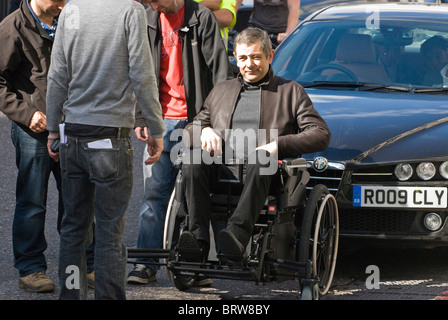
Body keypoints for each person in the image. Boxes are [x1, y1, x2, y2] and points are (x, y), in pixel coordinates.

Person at [178, 27, 330, 262]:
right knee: (192, 160)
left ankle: (237, 236)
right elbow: (191, 128)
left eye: (256, 57)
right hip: (221, 172)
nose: (249, 64)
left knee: (262, 158)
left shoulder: (290, 91)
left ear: (269, 57)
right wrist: (203, 130)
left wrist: (276, 145)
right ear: (236, 60)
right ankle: (197, 240)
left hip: (267, 176)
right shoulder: (221, 90)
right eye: (243, 58)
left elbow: (320, 134)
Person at [46, 0, 165, 300]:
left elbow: (57, 74)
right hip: (110, 138)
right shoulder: (129, 10)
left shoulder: (71, 10)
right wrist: (156, 127)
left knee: (73, 227)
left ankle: (71, 295)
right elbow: (142, 73)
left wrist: (51, 127)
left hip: (72, 134)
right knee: (110, 232)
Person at [127, 0, 232, 285]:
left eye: (154, 0)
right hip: (160, 122)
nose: (151, 4)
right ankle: (145, 264)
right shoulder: (147, 18)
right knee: (154, 195)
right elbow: (137, 71)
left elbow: (221, 75)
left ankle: (193, 267)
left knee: (195, 196)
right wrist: (141, 117)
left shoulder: (202, 17)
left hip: (199, 121)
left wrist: (215, 124)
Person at [0, 0, 66, 294]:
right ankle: (31, 268)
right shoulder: (12, 26)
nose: (65, 5)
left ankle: (83, 264)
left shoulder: (67, 20)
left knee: (77, 198)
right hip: (33, 130)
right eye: (59, 0)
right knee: (32, 201)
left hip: (70, 127)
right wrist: (27, 115)